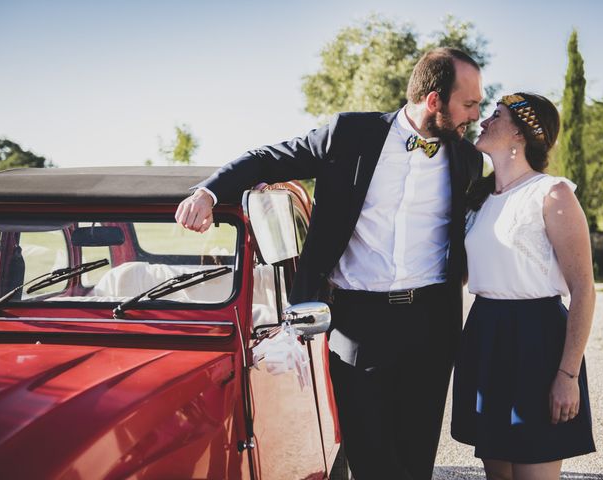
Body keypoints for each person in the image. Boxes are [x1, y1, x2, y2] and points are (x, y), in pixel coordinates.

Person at [176, 47, 484, 480]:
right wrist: (207, 193)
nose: (475, 114)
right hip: (358, 323)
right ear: (434, 100)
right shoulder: (351, 134)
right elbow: (269, 158)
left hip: (432, 325)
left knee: (415, 460)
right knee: (370, 457)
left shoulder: (467, 161)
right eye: (469, 103)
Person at [452, 92, 596, 480]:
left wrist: (567, 376)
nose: (483, 120)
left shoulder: (553, 193)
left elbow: (583, 289)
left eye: (495, 115)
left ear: (520, 132)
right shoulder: (478, 199)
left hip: (538, 341)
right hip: (486, 335)